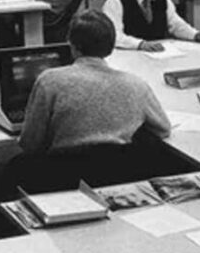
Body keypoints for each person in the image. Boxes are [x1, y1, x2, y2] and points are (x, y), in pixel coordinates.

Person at [19, 10, 172, 155]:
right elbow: (163, 129)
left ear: (72, 45)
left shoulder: (49, 81)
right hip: (118, 174)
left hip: (64, 173)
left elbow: (30, 143)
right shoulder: (137, 85)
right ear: (111, 47)